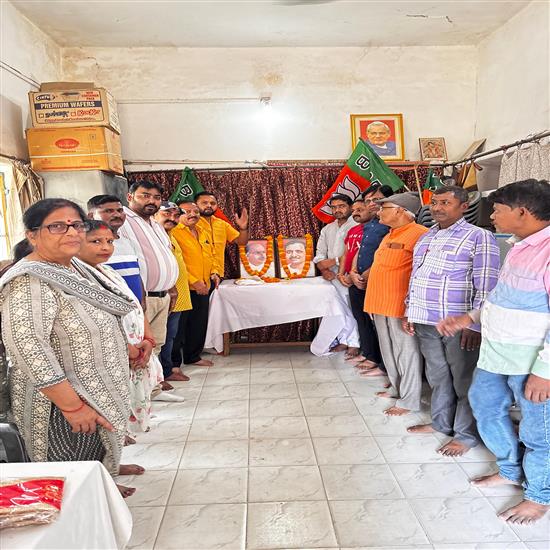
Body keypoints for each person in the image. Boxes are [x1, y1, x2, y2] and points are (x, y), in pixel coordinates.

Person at [0, 199, 138, 497]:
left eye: (76, 225)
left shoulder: (75, 267)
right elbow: (28, 348)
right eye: (57, 226)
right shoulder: (29, 282)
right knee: (71, 485)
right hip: (62, 410)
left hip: (95, 397)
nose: (72, 232)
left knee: (91, 476)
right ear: (32, 235)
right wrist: (72, 407)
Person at [438, 179, 550, 524]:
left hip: (531, 361)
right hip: (496, 352)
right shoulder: (518, 246)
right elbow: (502, 296)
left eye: (498, 210)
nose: (492, 217)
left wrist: (545, 371)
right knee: (485, 406)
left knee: (539, 430)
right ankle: (510, 470)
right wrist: (469, 318)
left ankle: (539, 495)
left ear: (522, 212)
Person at [403, 186, 500, 457]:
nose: (437, 208)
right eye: (434, 202)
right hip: (426, 319)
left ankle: (465, 435)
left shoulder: (478, 236)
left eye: (445, 202)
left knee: (463, 380)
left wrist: (475, 324)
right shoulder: (426, 236)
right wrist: (410, 310)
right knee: (437, 376)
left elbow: (487, 284)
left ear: (463, 206)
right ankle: (441, 423)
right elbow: (416, 276)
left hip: (458, 324)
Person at [76, 220, 163, 434]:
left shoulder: (108, 271)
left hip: (135, 347)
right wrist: (129, 349)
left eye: (109, 241)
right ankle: (116, 438)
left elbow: (134, 305)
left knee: (128, 401)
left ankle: (124, 433)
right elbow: (97, 323)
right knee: (111, 404)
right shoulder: (78, 277)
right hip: (115, 352)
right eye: (96, 241)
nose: (106, 247)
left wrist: (148, 339)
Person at [364, 192, 428, 416]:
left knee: (406, 351)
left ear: (401, 211)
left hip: (399, 305)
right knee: (388, 349)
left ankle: (410, 400)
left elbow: (421, 273)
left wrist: (412, 307)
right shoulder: (389, 234)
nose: (379, 212)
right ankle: (397, 387)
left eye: (384, 208)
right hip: (378, 302)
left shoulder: (420, 234)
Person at [118, 181, 179, 355]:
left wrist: (171, 286)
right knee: (139, 346)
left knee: (156, 345)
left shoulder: (156, 224)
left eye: (156, 197)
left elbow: (165, 256)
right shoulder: (123, 222)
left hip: (162, 296)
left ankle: (154, 374)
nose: (152, 201)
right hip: (143, 298)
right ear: (129, 197)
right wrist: (139, 294)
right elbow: (124, 261)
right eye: (145, 196)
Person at [341, 185, 392, 374]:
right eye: (368, 201)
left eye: (375, 200)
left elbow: (383, 256)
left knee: (381, 326)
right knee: (361, 319)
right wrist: (353, 272)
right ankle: (370, 355)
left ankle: (383, 365)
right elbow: (359, 251)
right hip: (359, 278)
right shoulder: (370, 224)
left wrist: (363, 276)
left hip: (376, 280)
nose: (371, 204)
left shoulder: (389, 225)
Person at [172, 201, 220, 367]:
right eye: (187, 212)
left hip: (204, 286)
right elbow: (177, 262)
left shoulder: (202, 230)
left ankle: (193, 357)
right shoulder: (174, 232)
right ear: (178, 214)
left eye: (196, 211)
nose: (193, 214)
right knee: (178, 327)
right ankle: (173, 365)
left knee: (198, 324)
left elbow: (211, 254)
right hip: (183, 287)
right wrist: (194, 281)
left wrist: (214, 272)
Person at [313, 193, 360, 356]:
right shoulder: (327, 229)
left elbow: (356, 253)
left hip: (350, 275)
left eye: (341, 206)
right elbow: (319, 254)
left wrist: (334, 262)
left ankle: (355, 342)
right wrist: (324, 270)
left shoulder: (357, 226)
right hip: (331, 277)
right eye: (334, 207)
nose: (337, 210)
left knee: (351, 309)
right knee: (338, 310)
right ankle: (343, 340)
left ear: (350, 207)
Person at [154, 202, 193, 382]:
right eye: (166, 214)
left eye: (176, 215)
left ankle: (167, 371)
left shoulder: (169, 235)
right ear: (155, 215)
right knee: (162, 337)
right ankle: (160, 375)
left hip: (177, 294)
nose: (172, 218)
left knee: (170, 335)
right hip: (164, 294)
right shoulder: (154, 237)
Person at [87, 194, 144, 304]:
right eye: (108, 211)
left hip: (135, 307)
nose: (117, 215)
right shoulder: (87, 245)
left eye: (120, 210)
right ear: (91, 216)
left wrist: (142, 299)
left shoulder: (127, 241)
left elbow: (136, 274)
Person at [195, 191, 248, 276]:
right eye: (204, 203)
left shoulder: (222, 224)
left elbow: (241, 242)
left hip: (218, 274)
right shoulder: (191, 224)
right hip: (197, 276)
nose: (209, 205)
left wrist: (243, 228)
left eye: (213, 203)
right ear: (195, 205)